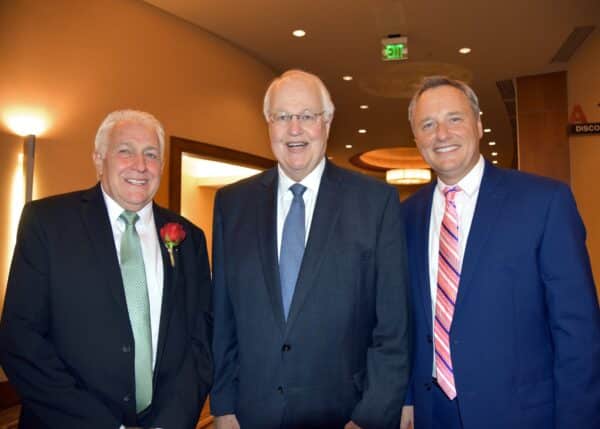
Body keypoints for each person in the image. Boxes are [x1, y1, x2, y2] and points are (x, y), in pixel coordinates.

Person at [210, 69, 411, 429]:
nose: (294, 129)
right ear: (268, 124)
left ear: (328, 122)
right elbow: (223, 316)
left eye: (306, 116)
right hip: (250, 415)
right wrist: (223, 408)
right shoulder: (232, 203)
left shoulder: (375, 202)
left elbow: (393, 326)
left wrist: (369, 417)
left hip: (344, 414)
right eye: (282, 117)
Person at [400, 76, 600, 429]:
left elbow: (578, 329)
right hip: (432, 414)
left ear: (478, 125)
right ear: (416, 138)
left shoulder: (544, 202)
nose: (441, 134)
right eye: (428, 125)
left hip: (520, 414)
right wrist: (407, 399)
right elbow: (402, 320)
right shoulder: (405, 216)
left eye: (454, 119)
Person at [0, 110, 213, 428]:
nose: (140, 165)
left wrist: (170, 422)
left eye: (151, 154)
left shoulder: (189, 237)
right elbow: (21, 340)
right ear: (99, 159)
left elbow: (200, 341)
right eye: (125, 150)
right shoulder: (47, 223)